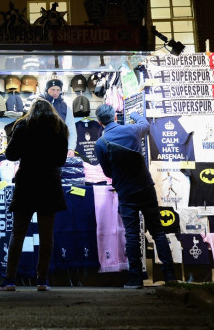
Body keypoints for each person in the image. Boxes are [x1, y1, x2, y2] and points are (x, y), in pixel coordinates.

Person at [94, 103, 177, 289]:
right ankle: (170, 276)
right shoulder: (132, 130)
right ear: (115, 117)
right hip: (145, 187)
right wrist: (132, 112)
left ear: (99, 122)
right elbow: (145, 123)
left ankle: (135, 279)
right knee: (157, 231)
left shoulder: (101, 143)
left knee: (132, 234)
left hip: (125, 191)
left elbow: (108, 173)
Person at [0, 98, 69, 292]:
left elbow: (11, 155)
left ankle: (10, 279)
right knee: (46, 235)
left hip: (27, 183)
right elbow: (62, 160)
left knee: (18, 233)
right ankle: (42, 280)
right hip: (50, 184)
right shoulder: (59, 126)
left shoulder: (23, 125)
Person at [25, 77, 77, 157]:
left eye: (58, 90)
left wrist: (71, 148)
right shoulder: (37, 102)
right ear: (47, 89)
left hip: (59, 149)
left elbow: (71, 129)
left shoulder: (65, 106)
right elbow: (28, 126)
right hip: (38, 148)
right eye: (53, 89)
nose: (55, 92)